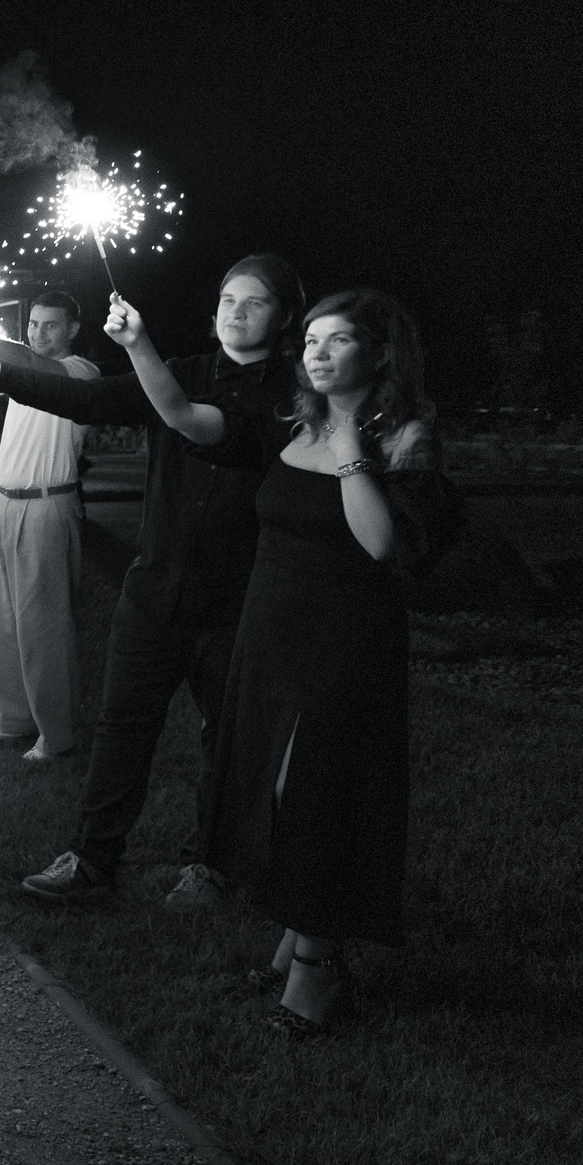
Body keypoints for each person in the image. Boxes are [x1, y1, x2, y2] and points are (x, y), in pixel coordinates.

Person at [99, 287, 460, 1036]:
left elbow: (383, 544)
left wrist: (351, 442)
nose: (317, 354)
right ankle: (296, 938)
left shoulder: (406, 440)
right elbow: (184, 417)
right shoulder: (287, 421)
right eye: (311, 342)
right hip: (271, 631)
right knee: (267, 786)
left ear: (380, 353)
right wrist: (139, 345)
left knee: (315, 794)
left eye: (337, 341)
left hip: (343, 642)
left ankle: (318, 970)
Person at [0, 256, 302, 908]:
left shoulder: (285, 397)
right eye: (227, 296)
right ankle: (93, 857)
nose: (236, 310)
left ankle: (212, 863)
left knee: (227, 733)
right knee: (121, 726)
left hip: (237, 592)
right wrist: (1, 373)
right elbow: (89, 398)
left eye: (256, 301)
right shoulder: (184, 368)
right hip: (155, 583)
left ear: (284, 317)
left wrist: (138, 346)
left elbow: (191, 421)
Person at [0, 290, 100, 758]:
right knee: (0, 616)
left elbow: (30, 363)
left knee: (44, 622)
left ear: (73, 330)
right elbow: (18, 364)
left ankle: (58, 734)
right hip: (4, 505)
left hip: (48, 506)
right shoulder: (23, 377)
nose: (39, 333)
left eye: (51, 325)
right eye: (34, 324)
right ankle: (13, 719)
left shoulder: (80, 373)